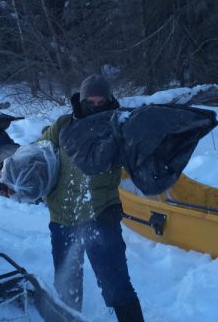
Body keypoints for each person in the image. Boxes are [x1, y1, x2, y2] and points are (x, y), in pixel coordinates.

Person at [38, 74, 144, 321]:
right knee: (66, 285)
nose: (96, 106)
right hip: (62, 218)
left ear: (109, 100)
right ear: (82, 100)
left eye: (101, 101)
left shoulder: (118, 126)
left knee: (116, 285)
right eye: (91, 101)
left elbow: (139, 152)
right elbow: (38, 152)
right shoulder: (64, 125)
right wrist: (16, 174)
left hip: (101, 216)